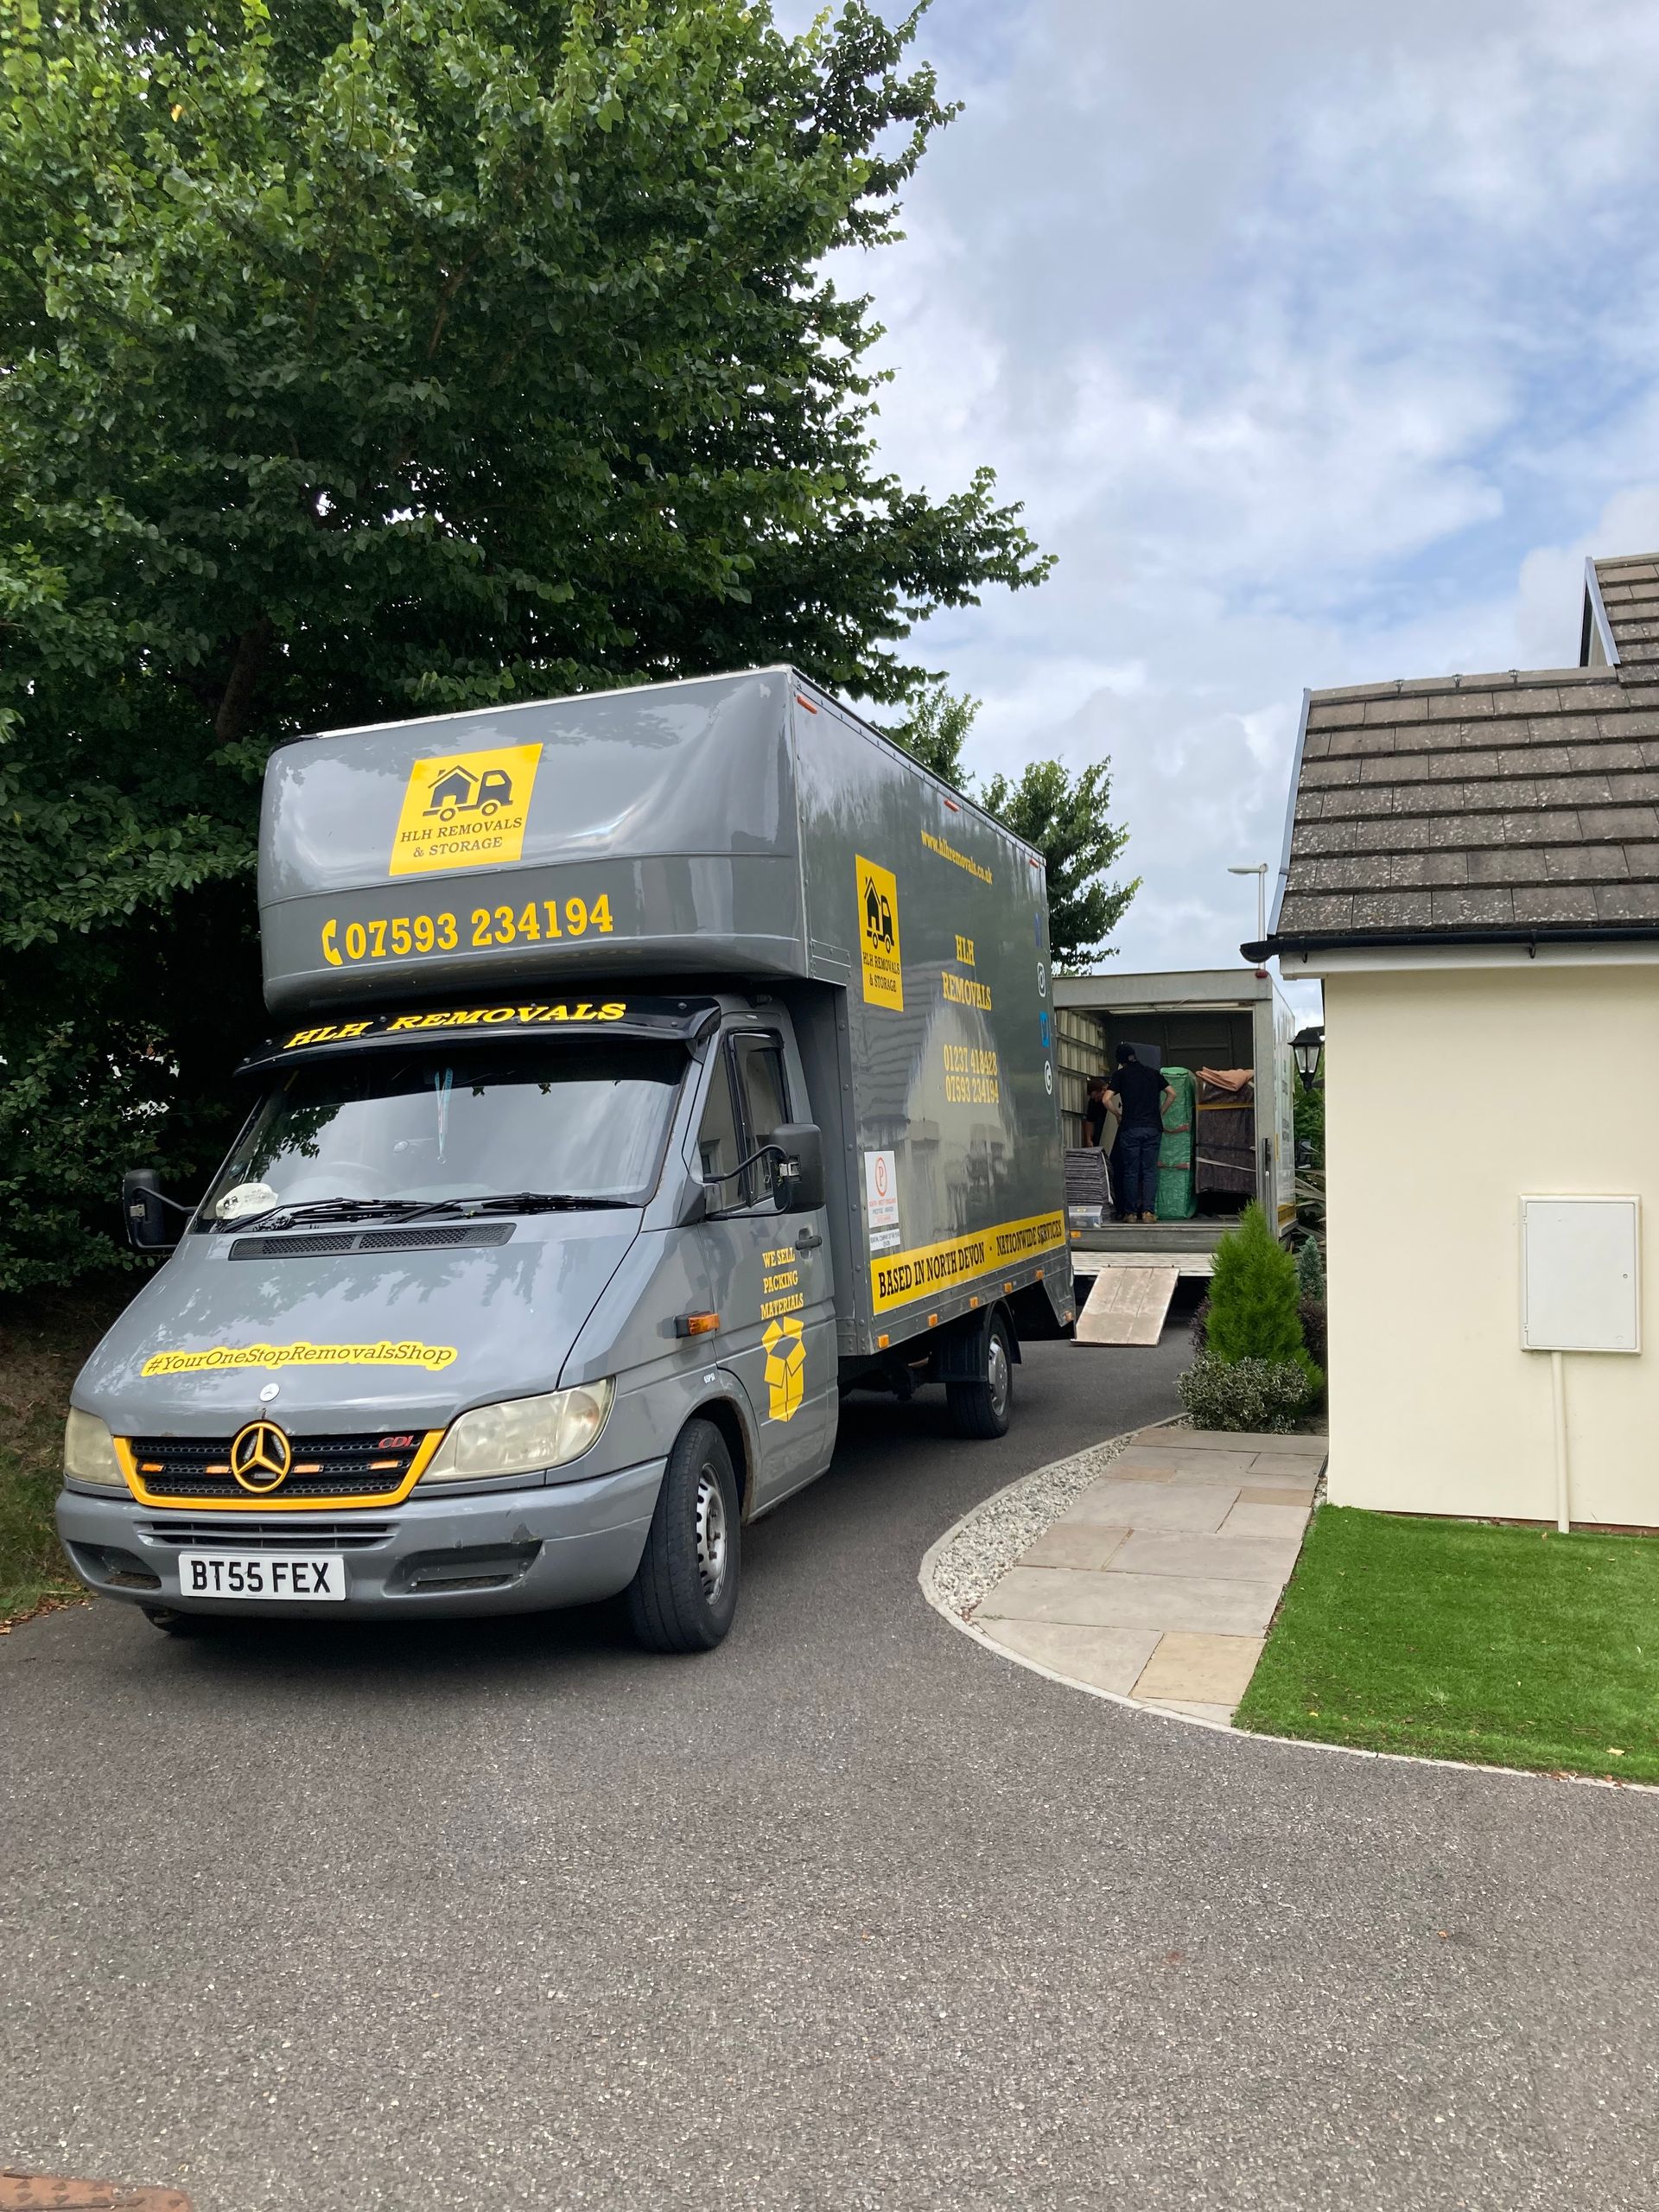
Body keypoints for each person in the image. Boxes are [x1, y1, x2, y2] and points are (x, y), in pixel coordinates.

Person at [1107, 1045, 1174, 1225]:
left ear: (1120, 1061)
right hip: (1152, 1128)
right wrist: (1160, 1112)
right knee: (1149, 1171)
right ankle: (1148, 1213)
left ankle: (1130, 1214)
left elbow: (1106, 1099)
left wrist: (1117, 1114)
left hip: (1130, 1128)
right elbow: (1172, 1094)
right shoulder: (1152, 1073)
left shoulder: (1120, 1075)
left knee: (1131, 1171)